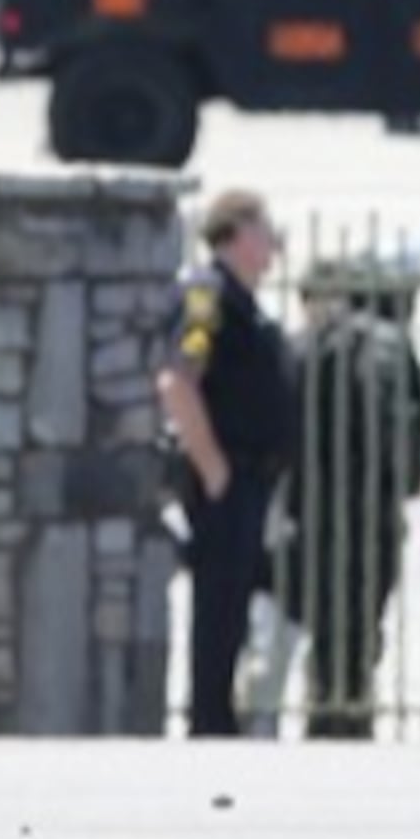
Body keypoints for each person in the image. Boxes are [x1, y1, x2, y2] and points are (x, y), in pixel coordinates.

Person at [158, 190, 296, 739]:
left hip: (253, 479)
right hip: (226, 480)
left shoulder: (243, 300)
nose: (273, 247)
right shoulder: (205, 298)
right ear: (235, 233)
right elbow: (177, 382)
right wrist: (213, 467)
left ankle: (223, 716)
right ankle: (210, 721)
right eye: (265, 233)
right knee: (218, 606)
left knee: (241, 603)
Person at [284, 253, 420, 740]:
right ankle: (350, 714)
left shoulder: (306, 343)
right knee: (361, 629)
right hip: (373, 510)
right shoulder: (392, 346)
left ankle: (327, 711)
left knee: (325, 627)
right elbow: (413, 437)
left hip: (312, 508)